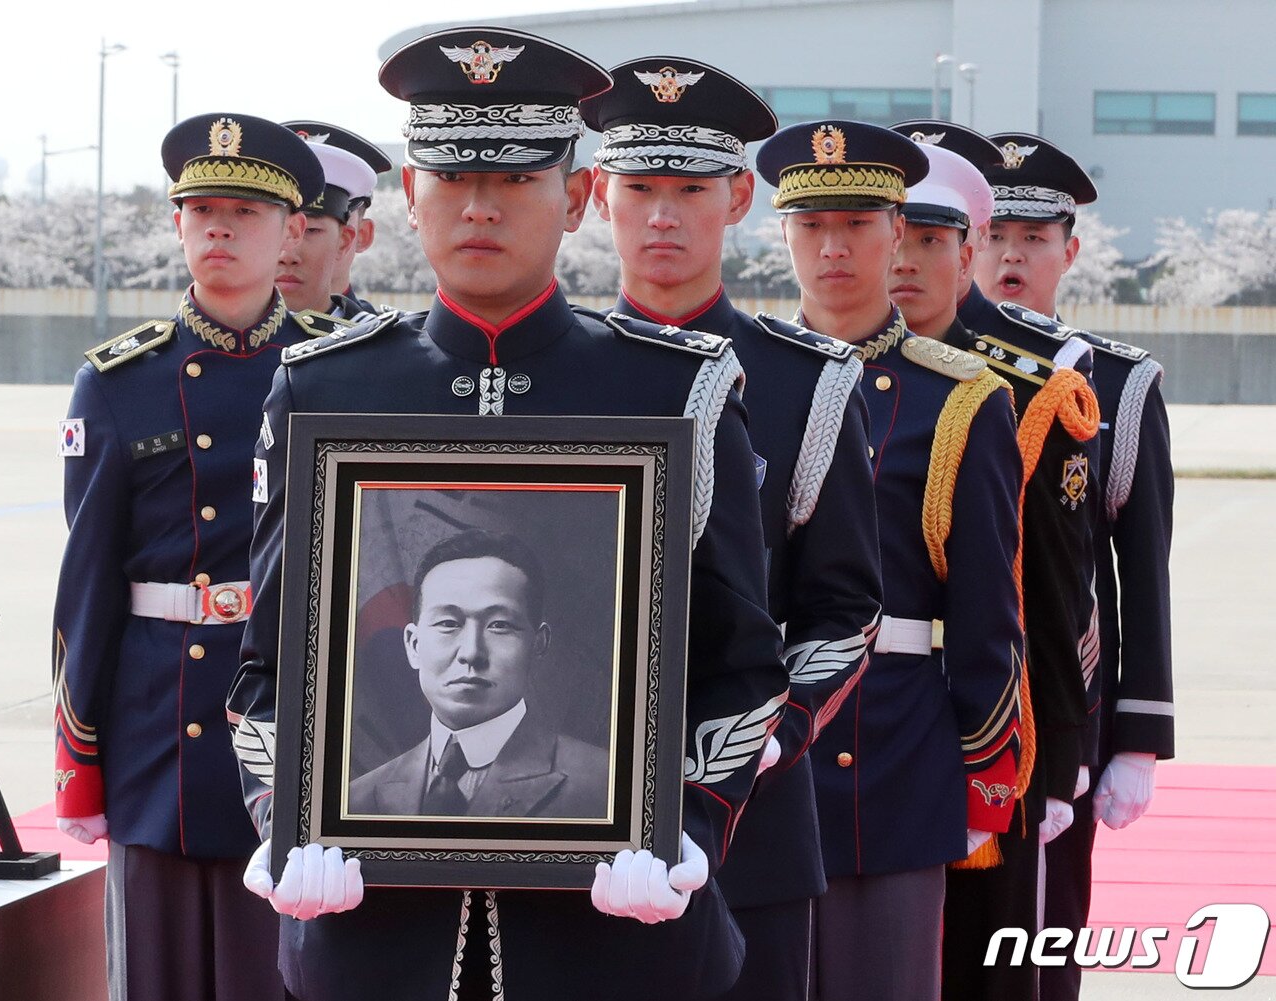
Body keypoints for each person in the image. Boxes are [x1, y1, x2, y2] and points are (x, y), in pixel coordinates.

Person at [226, 26, 789, 1001]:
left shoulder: (675, 391)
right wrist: (286, 813)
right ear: (410, 192)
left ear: (575, 197)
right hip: (374, 937)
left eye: (519, 178)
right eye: (451, 176)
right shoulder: (325, 388)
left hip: (612, 943)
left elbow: (741, 659)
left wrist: (686, 824)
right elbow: (268, 662)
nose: (480, 205)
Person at [583, 58, 882, 1001]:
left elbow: (844, 607)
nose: (662, 216)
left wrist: (765, 737)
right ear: (597, 196)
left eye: (691, 190)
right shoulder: (559, 374)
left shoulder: (809, 379)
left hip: (752, 817)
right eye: (640, 189)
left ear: (740, 198)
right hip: (567, 804)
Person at [52, 112, 335, 1001]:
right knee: (156, 977)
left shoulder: (335, 370)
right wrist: (78, 758)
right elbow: (87, 584)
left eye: (245, 212)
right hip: (158, 730)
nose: (220, 228)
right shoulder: (119, 381)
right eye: (203, 210)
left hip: (297, 724)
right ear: (177, 224)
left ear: (292, 230)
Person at [756, 120, 1023, 1001]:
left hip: (892, 751)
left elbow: (987, 609)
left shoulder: (961, 397)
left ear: (897, 229)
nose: (833, 248)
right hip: (745, 744)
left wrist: (984, 769)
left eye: (857, 225)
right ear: (783, 234)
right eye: (811, 225)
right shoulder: (735, 377)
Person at [894, 123, 1103, 1001]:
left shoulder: (1029, 386)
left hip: (991, 729)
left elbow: (1055, 589)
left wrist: (1058, 756)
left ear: (966, 248)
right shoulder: (814, 368)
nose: (903, 259)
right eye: (889, 233)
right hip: (859, 723)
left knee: (987, 964)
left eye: (929, 240)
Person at [970, 132, 1175, 1001]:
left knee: (1038, 941)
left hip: (1063, 711)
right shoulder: (923, 368)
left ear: (1071, 251)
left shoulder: (1117, 384)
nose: (1011, 257)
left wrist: (1140, 736)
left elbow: (1142, 572)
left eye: (1035, 239)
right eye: (996, 237)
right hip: (952, 702)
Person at [348, 529, 609, 820]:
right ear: (413, 645)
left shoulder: (605, 788)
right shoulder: (357, 801)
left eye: (499, 625)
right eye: (448, 623)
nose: (471, 653)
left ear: (538, 644)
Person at [284, 120, 394, 316]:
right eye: (277, 229)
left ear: (359, 235)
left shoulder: (386, 334)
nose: (288, 252)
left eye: (311, 229)